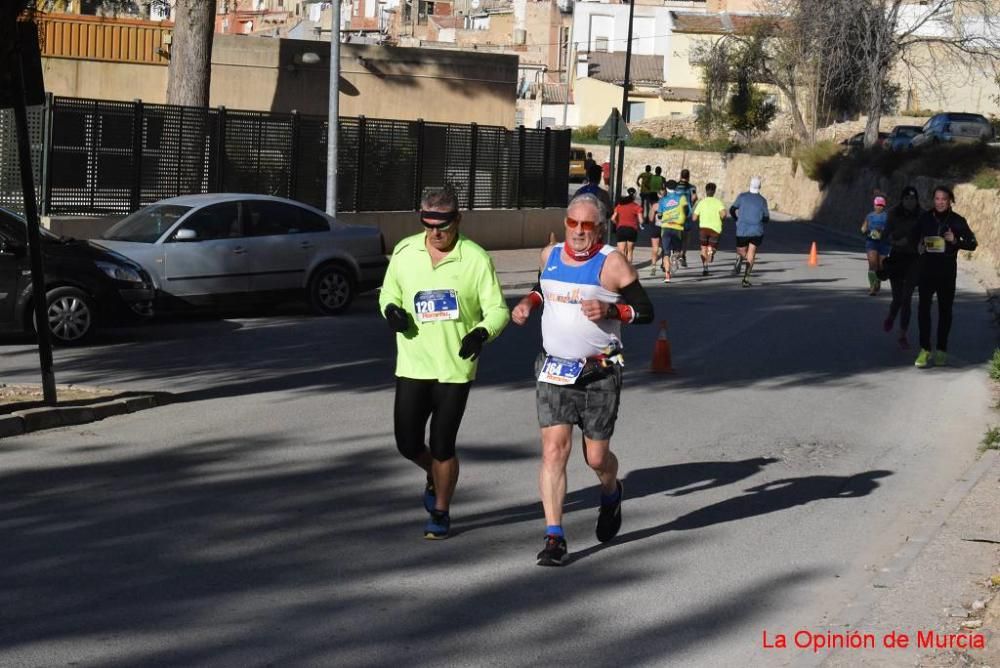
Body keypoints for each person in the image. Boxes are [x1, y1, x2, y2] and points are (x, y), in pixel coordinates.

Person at [510, 193, 654, 566]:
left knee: (596, 457)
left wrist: (613, 309)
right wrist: (529, 302)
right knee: (554, 451)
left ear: (601, 228)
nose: (576, 231)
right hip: (554, 368)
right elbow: (544, 287)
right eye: (571, 223)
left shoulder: (613, 263)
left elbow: (646, 311)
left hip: (601, 369)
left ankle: (611, 490)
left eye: (586, 226)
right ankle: (554, 537)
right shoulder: (551, 255)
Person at [379, 186, 511, 539]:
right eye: (428, 224)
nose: (436, 232)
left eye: (443, 225)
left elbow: (498, 309)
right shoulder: (405, 251)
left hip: (455, 367)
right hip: (413, 363)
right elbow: (389, 292)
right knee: (407, 443)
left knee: (442, 444)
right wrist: (391, 310)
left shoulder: (475, 258)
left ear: (458, 220)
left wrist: (482, 333)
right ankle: (434, 473)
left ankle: (441, 511)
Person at [913, 185, 978, 368]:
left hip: (947, 273)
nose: (940, 202)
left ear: (950, 201)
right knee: (923, 310)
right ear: (933, 200)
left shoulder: (957, 221)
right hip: (926, 270)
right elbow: (913, 238)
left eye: (944, 199)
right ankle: (925, 349)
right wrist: (918, 247)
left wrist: (955, 241)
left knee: (945, 311)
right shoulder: (925, 218)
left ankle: (941, 350)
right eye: (937, 199)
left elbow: (972, 244)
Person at [882, 186, 922, 348]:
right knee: (898, 298)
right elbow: (885, 234)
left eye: (913, 199)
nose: (910, 202)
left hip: (914, 260)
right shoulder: (893, 214)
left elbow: (930, 235)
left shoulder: (923, 215)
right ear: (902, 200)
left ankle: (902, 335)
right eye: (907, 198)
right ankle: (891, 316)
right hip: (897, 258)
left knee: (906, 299)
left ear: (917, 200)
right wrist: (892, 240)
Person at [729, 176, 770, 288]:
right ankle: (746, 279)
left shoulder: (742, 197)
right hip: (757, 230)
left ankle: (740, 258)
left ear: (749, 185)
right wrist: (760, 218)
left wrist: (737, 219)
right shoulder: (762, 201)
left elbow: (732, 209)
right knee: (751, 253)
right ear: (760, 187)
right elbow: (766, 218)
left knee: (741, 251)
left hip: (742, 229)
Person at [655, 179, 689, 283]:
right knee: (678, 250)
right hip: (678, 227)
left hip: (665, 227)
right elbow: (686, 210)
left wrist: (664, 216)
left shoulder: (662, 200)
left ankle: (667, 276)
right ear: (676, 187)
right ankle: (675, 256)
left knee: (665, 253)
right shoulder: (682, 198)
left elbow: (659, 215)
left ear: (666, 188)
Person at [692, 182, 726, 277]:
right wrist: (721, 219)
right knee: (712, 247)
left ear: (706, 191)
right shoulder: (718, 202)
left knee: (703, 248)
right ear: (714, 191)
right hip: (715, 229)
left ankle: (705, 267)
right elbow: (723, 214)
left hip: (703, 228)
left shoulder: (701, 202)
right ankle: (711, 250)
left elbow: (694, 218)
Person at [861, 196, 891, 296]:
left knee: (881, 266)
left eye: (881, 205)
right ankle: (872, 286)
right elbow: (864, 227)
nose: (879, 207)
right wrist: (864, 230)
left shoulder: (887, 216)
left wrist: (882, 231)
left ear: (884, 206)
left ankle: (877, 281)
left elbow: (891, 229)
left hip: (884, 243)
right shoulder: (869, 216)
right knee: (873, 264)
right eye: (877, 205)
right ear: (874, 205)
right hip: (871, 242)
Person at [675, 168, 699, 268]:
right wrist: (691, 205)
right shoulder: (692, 187)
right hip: (687, 214)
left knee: (676, 235)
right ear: (688, 177)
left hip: (675, 214)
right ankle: (683, 254)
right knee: (686, 236)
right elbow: (694, 197)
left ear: (681, 176)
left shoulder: (675, 186)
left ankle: (676, 254)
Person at [611, 187, 642, 264]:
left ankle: (622, 268)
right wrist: (639, 224)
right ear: (635, 196)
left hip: (621, 229)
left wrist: (617, 224)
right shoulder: (637, 207)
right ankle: (629, 268)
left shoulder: (619, 206)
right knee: (630, 251)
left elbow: (613, 218)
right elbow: (641, 220)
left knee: (621, 251)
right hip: (632, 230)